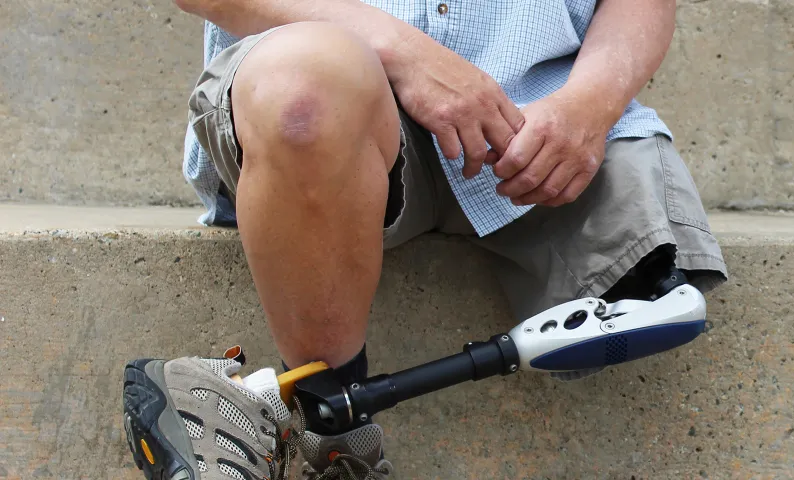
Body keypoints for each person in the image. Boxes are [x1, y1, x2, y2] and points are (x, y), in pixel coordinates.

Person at [121, 1, 727, 478]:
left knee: (659, 292)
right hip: (333, 100)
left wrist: (590, 106)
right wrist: (405, 53)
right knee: (301, 98)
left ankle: (281, 411)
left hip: (551, 125)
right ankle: (337, 438)